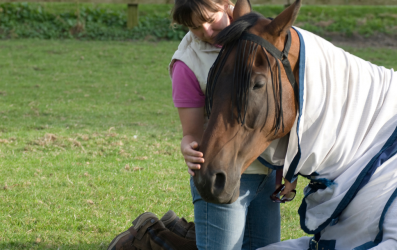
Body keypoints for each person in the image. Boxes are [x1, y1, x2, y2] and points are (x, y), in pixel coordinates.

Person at [107, 0, 281, 249]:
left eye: (210, 20)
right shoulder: (187, 64)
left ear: (226, 4)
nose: (206, 33)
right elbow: (192, 133)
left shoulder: (262, 35)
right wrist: (188, 145)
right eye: (195, 28)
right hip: (222, 178)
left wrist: (287, 165)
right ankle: (151, 237)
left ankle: (170, 232)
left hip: (267, 174)